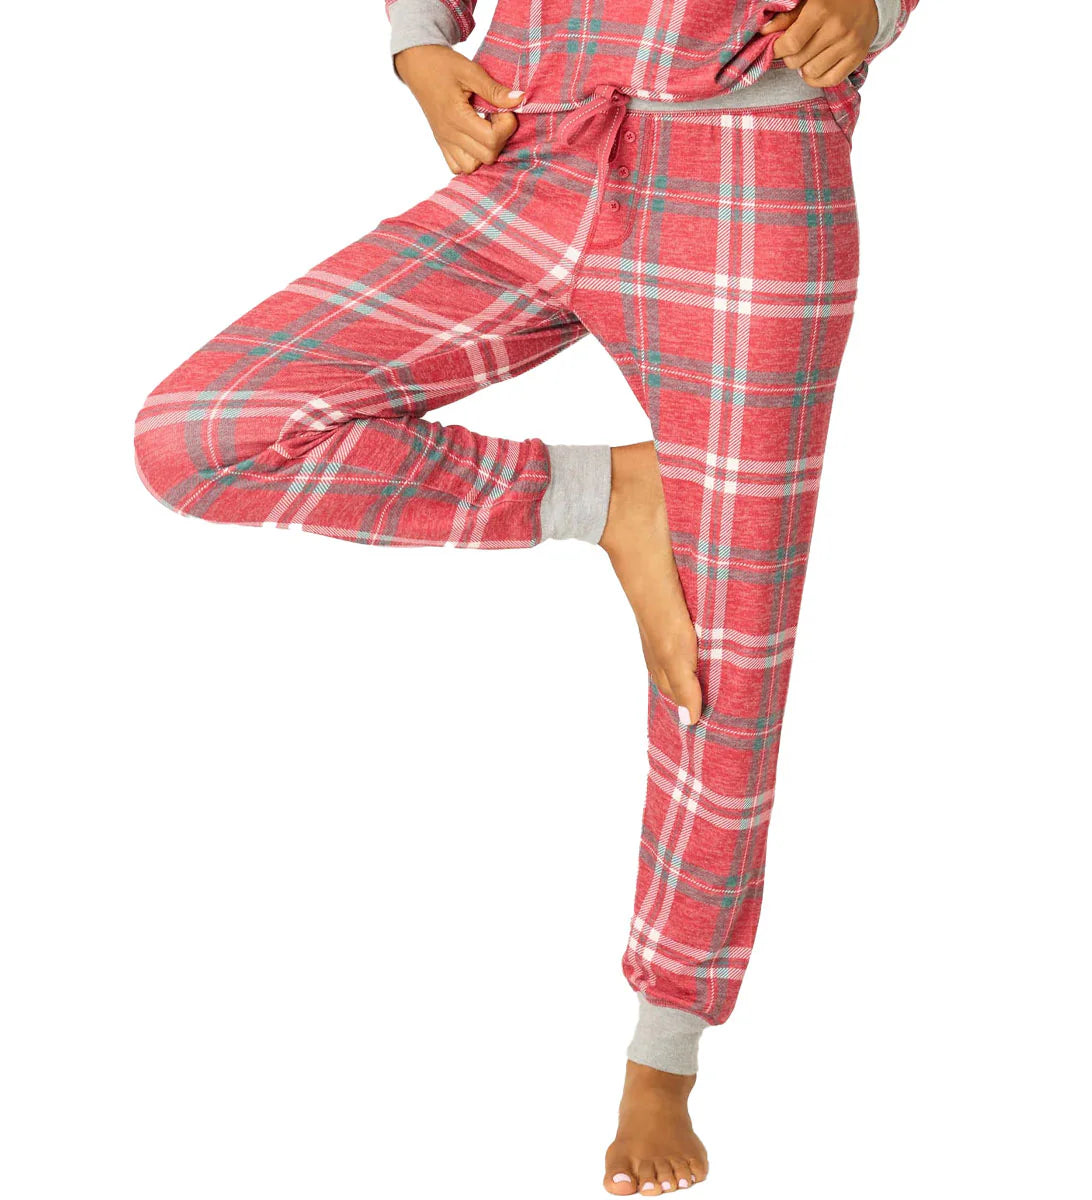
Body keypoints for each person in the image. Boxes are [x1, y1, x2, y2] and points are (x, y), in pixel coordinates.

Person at [132, 0, 920, 1191]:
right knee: (203, 435)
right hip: (532, 148)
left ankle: (664, 1053)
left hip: (751, 169)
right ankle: (613, 499)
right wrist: (417, 49)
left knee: (728, 650)